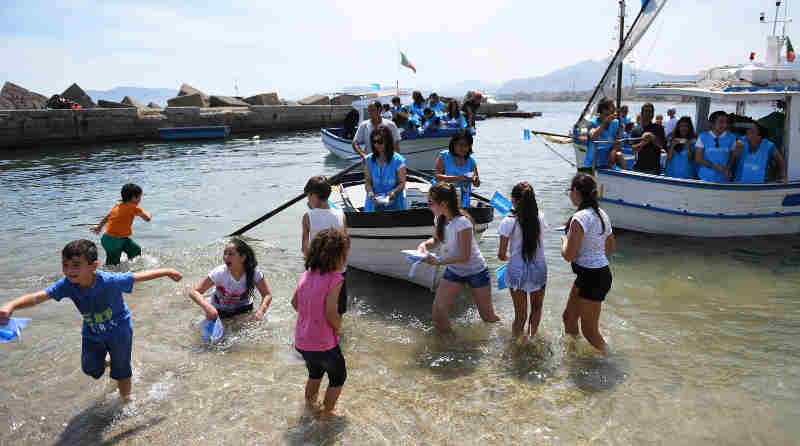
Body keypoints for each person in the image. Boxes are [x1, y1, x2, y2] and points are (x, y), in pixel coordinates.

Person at [0, 239, 182, 401]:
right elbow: (38, 297)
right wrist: (12, 305)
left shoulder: (109, 280)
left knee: (122, 371)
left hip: (119, 330)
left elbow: (137, 277)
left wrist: (167, 271)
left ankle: (125, 400)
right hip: (92, 332)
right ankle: (111, 359)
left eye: (76, 265)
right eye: (65, 265)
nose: (69, 270)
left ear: (93, 266)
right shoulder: (67, 285)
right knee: (91, 370)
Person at [417, 183, 501, 332]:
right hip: (455, 271)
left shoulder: (463, 222)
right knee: (438, 312)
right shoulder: (440, 219)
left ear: (443, 204)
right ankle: (450, 343)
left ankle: (504, 332)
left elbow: (465, 255)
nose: (428, 206)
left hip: (477, 271)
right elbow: (436, 240)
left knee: (487, 316)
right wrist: (424, 245)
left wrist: (438, 262)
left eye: (430, 202)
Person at [292, 228, 349, 416]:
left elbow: (294, 303)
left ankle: (309, 408)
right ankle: (327, 414)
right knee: (338, 377)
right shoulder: (336, 278)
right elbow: (331, 311)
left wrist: (310, 316)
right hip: (324, 343)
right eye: (345, 255)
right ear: (337, 256)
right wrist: (338, 328)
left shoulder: (306, 275)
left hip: (303, 341)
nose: (346, 259)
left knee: (315, 374)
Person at [561, 174, 615, 352]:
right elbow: (610, 247)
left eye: (570, 190)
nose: (570, 194)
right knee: (569, 318)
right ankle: (573, 354)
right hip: (594, 273)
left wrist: (564, 240)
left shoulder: (579, 218)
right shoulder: (602, 214)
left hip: (592, 276)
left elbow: (568, 255)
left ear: (576, 191)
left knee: (589, 331)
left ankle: (610, 359)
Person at [497, 181, 547, 339]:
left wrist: (508, 259)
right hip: (539, 268)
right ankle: (532, 339)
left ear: (514, 200)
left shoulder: (508, 221)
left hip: (517, 270)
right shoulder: (540, 217)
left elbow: (501, 254)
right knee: (537, 308)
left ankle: (516, 346)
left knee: (520, 316)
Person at [188, 238, 273, 321]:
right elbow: (194, 292)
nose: (225, 257)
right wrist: (208, 308)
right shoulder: (219, 272)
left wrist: (261, 311)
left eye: (230, 254)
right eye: (225, 253)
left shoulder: (254, 272)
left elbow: (267, 295)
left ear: (243, 258)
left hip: (244, 309)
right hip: (218, 310)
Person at [301, 175, 349, 314]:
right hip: (339, 271)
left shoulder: (308, 216)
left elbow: (305, 249)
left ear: (313, 195)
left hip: (318, 272)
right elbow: (345, 244)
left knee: (318, 312)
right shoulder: (341, 214)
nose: (308, 200)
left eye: (308, 197)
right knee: (338, 312)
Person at [91, 183, 152, 265]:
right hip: (113, 241)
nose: (140, 199)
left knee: (135, 250)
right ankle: (107, 275)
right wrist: (149, 213)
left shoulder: (118, 205)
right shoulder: (135, 208)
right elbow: (147, 219)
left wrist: (99, 227)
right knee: (112, 264)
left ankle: (132, 268)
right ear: (134, 198)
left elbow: (108, 217)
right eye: (140, 197)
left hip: (114, 238)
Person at [364, 125, 407, 211]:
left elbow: (402, 183)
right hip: (373, 204)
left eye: (380, 142)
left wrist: (394, 192)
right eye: (374, 141)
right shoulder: (368, 159)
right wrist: (371, 195)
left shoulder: (399, 161)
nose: (376, 144)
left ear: (387, 141)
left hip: (395, 206)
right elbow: (368, 182)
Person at [434, 129, 480, 208]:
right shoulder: (444, 156)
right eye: (461, 145)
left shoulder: (471, 162)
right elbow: (437, 178)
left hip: (463, 201)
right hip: (445, 199)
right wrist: (458, 178)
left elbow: (477, 184)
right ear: (454, 145)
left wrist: (475, 180)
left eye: (466, 145)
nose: (464, 148)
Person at [695, 111, 740, 182]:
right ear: (712, 123)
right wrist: (714, 166)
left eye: (726, 122)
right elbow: (698, 158)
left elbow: (732, 156)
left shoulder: (732, 137)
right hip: (705, 178)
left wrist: (728, 168)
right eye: (721, 122)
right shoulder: (703, 137)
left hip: (724, 178)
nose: (725, 125)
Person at [586, 97, 625, 169]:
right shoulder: (592, 123)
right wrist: (605, 123)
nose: (615, 110)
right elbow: (593, 136)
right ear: (604, 110)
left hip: (609, 160)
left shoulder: (616, 123)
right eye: (612, 107)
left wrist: (613, 152)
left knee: (619, 155)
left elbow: (618, 143)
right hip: (594, 162)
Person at [630, 103, 666, 174]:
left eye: (650, 111)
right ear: (642, 113)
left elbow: (662, 145)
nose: (648, 113)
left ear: (653, 114)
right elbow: (633, 149)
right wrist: (643, 142)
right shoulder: (635, 130)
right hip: (639, 168)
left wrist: (652, 137)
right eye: (646, 111)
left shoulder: (659, 128)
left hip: (654, 169)